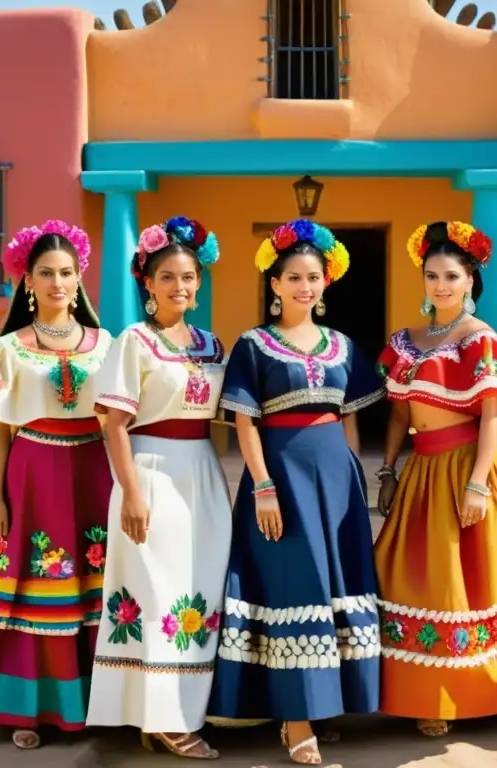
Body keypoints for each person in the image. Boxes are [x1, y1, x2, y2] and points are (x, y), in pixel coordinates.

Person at [207, 219, 383, 766]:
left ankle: (329, 703)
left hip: (336, 476)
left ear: (324, 285)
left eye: (314, 277)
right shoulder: (254, 345)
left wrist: (355, 479)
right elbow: (244, 420)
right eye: (293, 278)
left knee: (336, 582)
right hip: (279, 476)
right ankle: (295, 716)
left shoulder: (343, 346)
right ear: (274, 283)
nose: (305, 287)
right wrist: (261, 485)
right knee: (293, 585)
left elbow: (349, 418)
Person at [0, 220, 114, 749]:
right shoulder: (9, 349)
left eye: (67, 272)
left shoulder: (108, 344)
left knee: (93, 591)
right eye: (45, 273)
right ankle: (26, 709)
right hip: (32, 474)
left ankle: (94, 703)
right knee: (27, 591)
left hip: (93, 474)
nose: (58, 282)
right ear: (27, 281)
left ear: (79, 279)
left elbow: (125, 418)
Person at [372, 221, 497, 737]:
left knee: (464, 584)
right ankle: (416, 691)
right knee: (407, 575)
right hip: (422, 471)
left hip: (469, 467)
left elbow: (492, 416)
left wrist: (478, 484)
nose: (440, 285)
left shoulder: (481, 340)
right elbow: (400, 415)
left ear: (470, 279)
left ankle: (461, 696)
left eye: (451, 275)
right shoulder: (407, 342)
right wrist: (387, 469)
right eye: (431, 275)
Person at [85, 217, 229, 759]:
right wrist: (133, 492)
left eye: (189, 277)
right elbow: (113, 422)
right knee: (155, 592)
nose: (180, 287)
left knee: (198, 591)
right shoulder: (134, 342)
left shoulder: (212, 346)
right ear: (148, 283)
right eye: (167, 277)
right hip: (149, 471)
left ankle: (184, 709)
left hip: (203, 477)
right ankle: (163, 718)